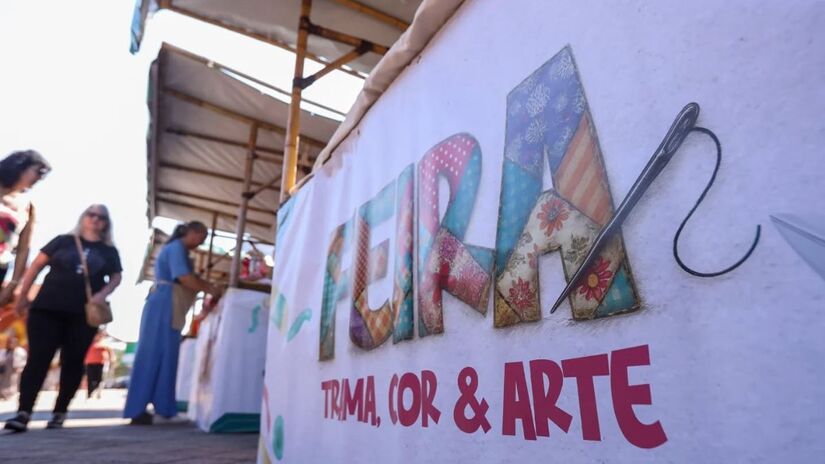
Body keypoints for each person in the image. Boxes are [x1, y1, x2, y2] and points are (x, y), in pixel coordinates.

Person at [3, 204, 122, 432]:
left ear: (106, 223)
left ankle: (60, 412)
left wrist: (101, 294)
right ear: (83, 217)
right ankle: (23, 412)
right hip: (47, 308)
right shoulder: (62, 241)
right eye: (91, 214)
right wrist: (22, 295)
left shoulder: (109, 251)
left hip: (83, 314)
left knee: (74, 362)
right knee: (38, 359)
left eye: (101, 217)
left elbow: (117, 277)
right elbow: (35, 267)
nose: (95, 220)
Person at [124, 221, 222, 425]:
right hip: (164, 303)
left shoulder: (181, 251)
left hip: (171, 305)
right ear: (192, 233)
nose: (201, 243)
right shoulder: (176, 248)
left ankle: (163, 405)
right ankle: (137, 407)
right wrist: (210, 288)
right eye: (201, 238)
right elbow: (185, 278)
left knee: (168, 356)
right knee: (151, 354)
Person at [0, 150, 51, 308]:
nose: (40, 178)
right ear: (21, 165)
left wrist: (14, 284)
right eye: (39, 171)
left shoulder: (27, 207)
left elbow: (23, 250)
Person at [84, 330, 111, 399]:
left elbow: (110, 352)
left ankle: (96, 390)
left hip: (100, 363)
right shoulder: (89, 342)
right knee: (90, 378)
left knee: (99, 379)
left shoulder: (103, 343)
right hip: (90, 363)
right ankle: (89, 393)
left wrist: (111, 360)